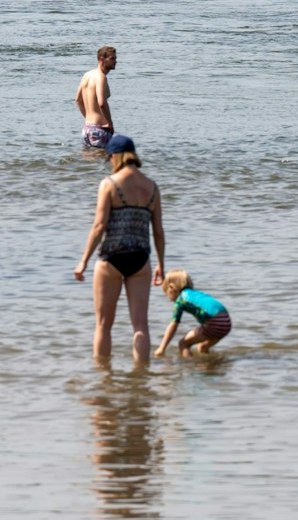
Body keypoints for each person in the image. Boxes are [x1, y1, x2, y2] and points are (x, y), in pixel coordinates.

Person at [74, 134, 165, 363]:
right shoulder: (152, 187)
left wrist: (83, 261)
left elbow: (99, 226)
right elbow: (158, 231)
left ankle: (104, 379)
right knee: (140, 325)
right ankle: (141, 377)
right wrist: (161, 266)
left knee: (103, 324)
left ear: (115, 156)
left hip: (112, 257)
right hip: (140, 258)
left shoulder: (109, 184)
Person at [153, 268, 231, 358]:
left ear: (171, 288)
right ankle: (210, 367)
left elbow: (173, 325)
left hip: (214, 322)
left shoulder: (181, 300)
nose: (169, 298)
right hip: (226, 320)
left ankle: (189, 366)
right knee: (202, 347)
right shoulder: (195, 293)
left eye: (166, 293)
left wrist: (161, 348)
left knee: (183, 344)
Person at [75, 45, 117, 154]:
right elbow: (102, 102)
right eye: (112, 58)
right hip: (100, 129)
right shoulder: (101, 77)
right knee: (102, 166)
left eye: (115, 58)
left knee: (90, 167)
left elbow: (78, 100)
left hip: (87, 128)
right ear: (101, 59)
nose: (115, 61)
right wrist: (109, 123)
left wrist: (88, 118)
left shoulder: (87, 75)